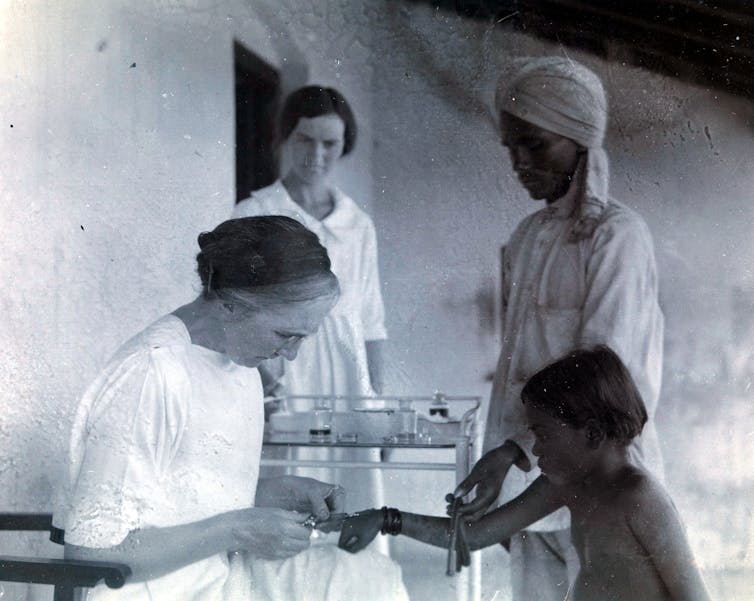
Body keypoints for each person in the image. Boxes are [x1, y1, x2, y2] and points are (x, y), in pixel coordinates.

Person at [54, 216, 407, 601]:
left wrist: (275, 493)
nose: (289, 356)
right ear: (231, 305)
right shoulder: (152, 373)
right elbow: (90, 552)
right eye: (285, 335)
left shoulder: (239, 366)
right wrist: (237, 529)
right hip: (146, 592)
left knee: (369, 579)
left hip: (220, 579)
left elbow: (179, 497)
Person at [452, 57, 665, 600]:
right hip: (532, 464)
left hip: (595, 467)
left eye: (535, 144)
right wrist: (509, 455)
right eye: (511, 148)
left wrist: (512, 453)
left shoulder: (618, 237)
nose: (520, 163)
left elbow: (609, 375)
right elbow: (514, 364)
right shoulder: (527, 237)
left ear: (579, 140)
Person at [337, 346, 712, 601]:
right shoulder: (567, 484)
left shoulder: (640, 498)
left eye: (543, 434)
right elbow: (475, 534)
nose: (534, 449)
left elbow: (694, 596)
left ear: (593, 434)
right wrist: (385, 518)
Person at [232, 86, 389, 525]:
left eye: (330, 143)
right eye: (305, 139)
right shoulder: (255, 211)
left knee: (351, 494)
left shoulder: (358, 224)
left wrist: (377, 404)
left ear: (344, 146)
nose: (316, 154)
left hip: (347, 377)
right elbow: (238, 308)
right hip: (283, 368)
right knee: (289, 484)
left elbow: (372, 320)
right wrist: (266, 385)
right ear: (286, 137)